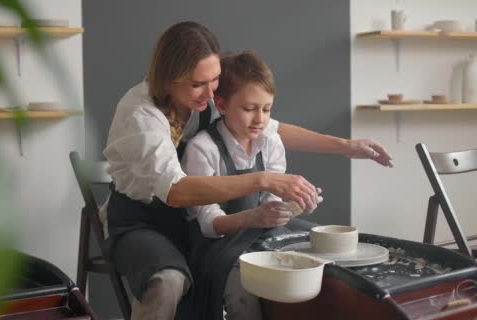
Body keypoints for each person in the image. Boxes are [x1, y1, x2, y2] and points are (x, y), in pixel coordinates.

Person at [103, 21, 392, 320]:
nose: (209, 92)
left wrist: (346, 146)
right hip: (143, 220)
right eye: (197, 83)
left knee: (309, 255)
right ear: (168, 79)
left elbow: (271, 129)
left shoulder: (206, 98)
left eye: (214, 80)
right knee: (169, 280)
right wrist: (263, 181)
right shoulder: (141, 115)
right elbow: (177, 191)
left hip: (189, 220)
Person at [182, 51, 325, 320]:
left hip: (260, 233)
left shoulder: (269, 141)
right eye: (249, 109)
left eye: (267, 109)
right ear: (222, 105)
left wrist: (290, 208)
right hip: (216, 247)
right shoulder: (202, 149)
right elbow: (209, 224)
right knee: (243, 289)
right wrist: (254, 217)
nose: (260, 119)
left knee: (317, 261)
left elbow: (270, 200)